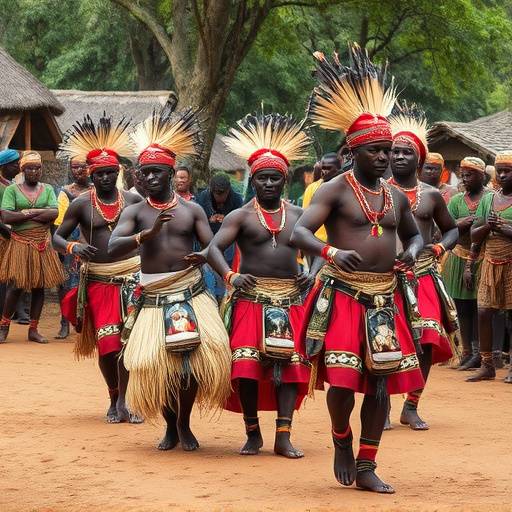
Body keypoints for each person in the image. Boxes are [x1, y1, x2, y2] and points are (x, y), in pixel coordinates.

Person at [292, 46, 425, 493]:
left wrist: (412, 250)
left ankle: (367, 464)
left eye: (388, 150)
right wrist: (329, 254)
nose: (385, 158)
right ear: (354, 150)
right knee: (345, 381)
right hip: (343, 295)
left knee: (382, 385)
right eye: (376, 151)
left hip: (385, 297)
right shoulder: (333, 190)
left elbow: (416, 235)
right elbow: (300, 234)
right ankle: (341, 439)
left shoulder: (397, 196)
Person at [108, 101, 231, 451]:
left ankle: (184, 422)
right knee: (151, 364)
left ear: (171, 171)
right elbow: (114, 246)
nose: (149, 178)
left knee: (199, 361)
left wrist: (218, 267)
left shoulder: (191, 210)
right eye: (144, 172)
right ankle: (168, 426)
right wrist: (143, 237)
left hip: (190, 292)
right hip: (151, 296)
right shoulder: (134, 211)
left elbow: (212, 247)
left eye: (156, 172)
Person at [209, 113, 312, 458]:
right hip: (250, 298)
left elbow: (321, 248)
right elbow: (212, 250)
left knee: (290, 369)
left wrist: (313, 272)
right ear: (253, 181)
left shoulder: (298, 215)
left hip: (290, 298)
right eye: (262, 178)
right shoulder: (240, 216)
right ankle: (252, 432)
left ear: (284, 181)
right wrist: (231, 276)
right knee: (247, 367)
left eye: (275, 178)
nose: (268, 184)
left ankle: (283, 435)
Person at [54, 114, 143, 423]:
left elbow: (149, 232)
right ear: (91, 176)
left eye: (110, 173)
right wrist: (72, 247)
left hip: (133, 278)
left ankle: (126, 402)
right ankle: (114, 397)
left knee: (130, 342)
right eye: (100, 174)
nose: (106, 178)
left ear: (117, 172)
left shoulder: (132, 200)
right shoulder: (80, 204)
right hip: (99, 281)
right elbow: (57, 235)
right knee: (108, 344)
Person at [389, 107, 458, 430]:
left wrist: (441, 246)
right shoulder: (377, 192)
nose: (399, 157)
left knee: (426, 339)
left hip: (424, 275)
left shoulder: (431, 196)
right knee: (386, 339)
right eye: (395, 151)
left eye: (407, 152)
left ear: (419, 159)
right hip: (385, 277)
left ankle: (412, 405)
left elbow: (452, 229)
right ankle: (383, 403)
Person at [0, 151, 64, 344]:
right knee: (15, 286)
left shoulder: (48, 189)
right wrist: (39, 214)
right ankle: (3, 327)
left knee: (39, 287)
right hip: (20, 242)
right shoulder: (12, 190)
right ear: (23, 170)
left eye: (37, 168)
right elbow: (7, 217)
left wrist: (26, 212)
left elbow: (54, 213)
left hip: (43, 243)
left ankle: (33, 330)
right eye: (30, 168)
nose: (34, 171)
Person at [466, 150, 512, 383]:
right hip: (490, 261)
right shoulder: (488, 199)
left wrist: (505, 228)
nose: (502, 175)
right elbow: (475, 235)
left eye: (508, 171)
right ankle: (487, 365)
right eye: (500, 171)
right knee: (484, 311)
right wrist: (487, 227)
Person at [443, 157, 491, 370]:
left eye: (469, 174)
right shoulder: (456, 201)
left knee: (480, 307)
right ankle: (466, 352)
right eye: (462, 174)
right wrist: (460, 224)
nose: (464, 178)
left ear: (482, 176)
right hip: (459, 256)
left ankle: (483, 352)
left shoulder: (491, 198)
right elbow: (445, 228)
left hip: (483, 258)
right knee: (462, 306)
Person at [53, 156, 93, 339]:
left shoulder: (96, 190)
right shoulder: (65, 192)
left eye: (83, 167)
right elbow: (60, 223)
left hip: (93, 243)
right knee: (67, 284)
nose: (79, 171)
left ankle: (87, 324)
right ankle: (64, 323)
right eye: (75, 167)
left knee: (92, 284)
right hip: (71, 244)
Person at [197, 173, 243, 300]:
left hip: (228, 242)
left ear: (228, 190)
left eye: (223, 194)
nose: (220, 197)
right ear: (211, 190)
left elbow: (241, 223)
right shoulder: (202, 198)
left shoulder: (237, 199)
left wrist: (228, 220)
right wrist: (207, 219)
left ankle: (226, 292)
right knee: (207, 267)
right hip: (207, 239)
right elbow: (197, 221)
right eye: (217, 194)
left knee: (226, 264)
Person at [301, 152, 342, 243]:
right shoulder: (312, 188)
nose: (324, 171)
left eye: (329, 168)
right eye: (323, 168)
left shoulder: (347, 186)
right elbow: (304, 215)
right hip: (317, 243)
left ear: (338, 168)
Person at [0, 149, 19, 312]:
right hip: (3, 236)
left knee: (11, 277)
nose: (18, 167)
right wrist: (6, 231)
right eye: (14, 164)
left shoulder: (12, 186)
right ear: (3, 166)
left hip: (12, 236)